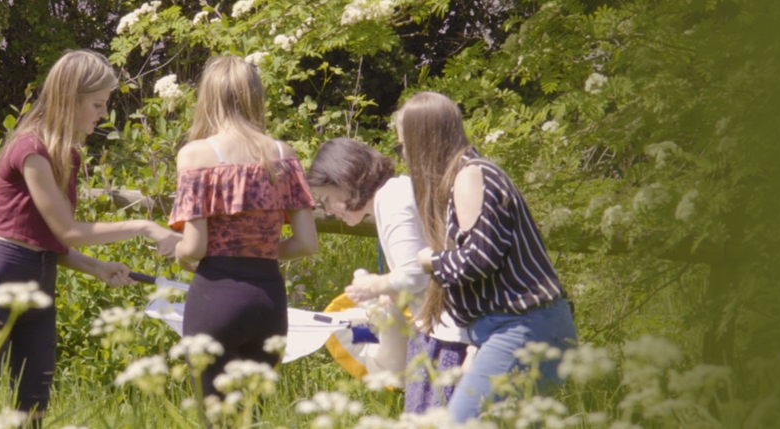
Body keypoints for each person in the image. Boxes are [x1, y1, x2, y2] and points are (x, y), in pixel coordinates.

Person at [0, 49, 182, 421]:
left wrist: (97, 267)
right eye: (97, 103)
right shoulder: (31, 149)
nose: (104, 114)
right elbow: (69, 231)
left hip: (39, 291)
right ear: (69, 98)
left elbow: (46, 243)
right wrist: (146, 226)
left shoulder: (66, 156)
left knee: (34, 415)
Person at [399, 92, 578, 422]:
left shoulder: (471, 176)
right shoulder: (467, 176)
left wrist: (430, 260)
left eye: (403, 145)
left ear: (421, 140)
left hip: (525, 325)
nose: (404, 155)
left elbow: (479, 260)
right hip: (514, 327)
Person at [168, 55, 318, 400]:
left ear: (208, 97)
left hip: (216, 295)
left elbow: (193, 248)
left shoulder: (195, 155)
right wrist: (260, 253)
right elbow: (307, 243)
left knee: (216, 417)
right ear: (255, 96)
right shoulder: (284, 153)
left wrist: (178, 252)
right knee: (253, 416)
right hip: (269, 299)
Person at [306, 137, 471, 413]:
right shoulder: (394, 194)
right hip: (443, 326)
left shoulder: (392, 199)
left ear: (345, 181)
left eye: (328, 199)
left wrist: (374, 285)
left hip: (450, 333)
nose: (330, 211)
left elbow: (415, 275)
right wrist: (388, 293)